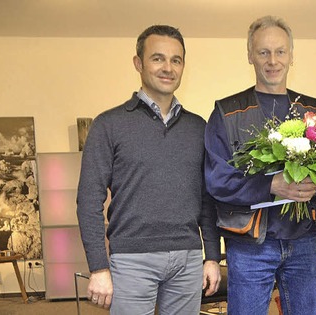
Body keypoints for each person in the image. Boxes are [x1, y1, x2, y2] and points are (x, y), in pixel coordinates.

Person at [76, 25, 221, 314]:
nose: (168, 67)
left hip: (188, 257)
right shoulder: (109, 124)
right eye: (158, 58)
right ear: (138, 63)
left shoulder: (198, 128)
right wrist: (98, 267)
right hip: (131, 259)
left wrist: (212, 256)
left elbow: (207, 198)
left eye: (176, 60)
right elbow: (88, 200)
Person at [204, 15, 316, 315]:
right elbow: (216, 181)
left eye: (280, 51)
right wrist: (271, 185)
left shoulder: (313, 110)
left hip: (307, 241)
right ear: (250, 55)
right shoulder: (227, 112)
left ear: (292, 56)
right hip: (250, 246)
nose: (272, 60)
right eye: (263, 52)